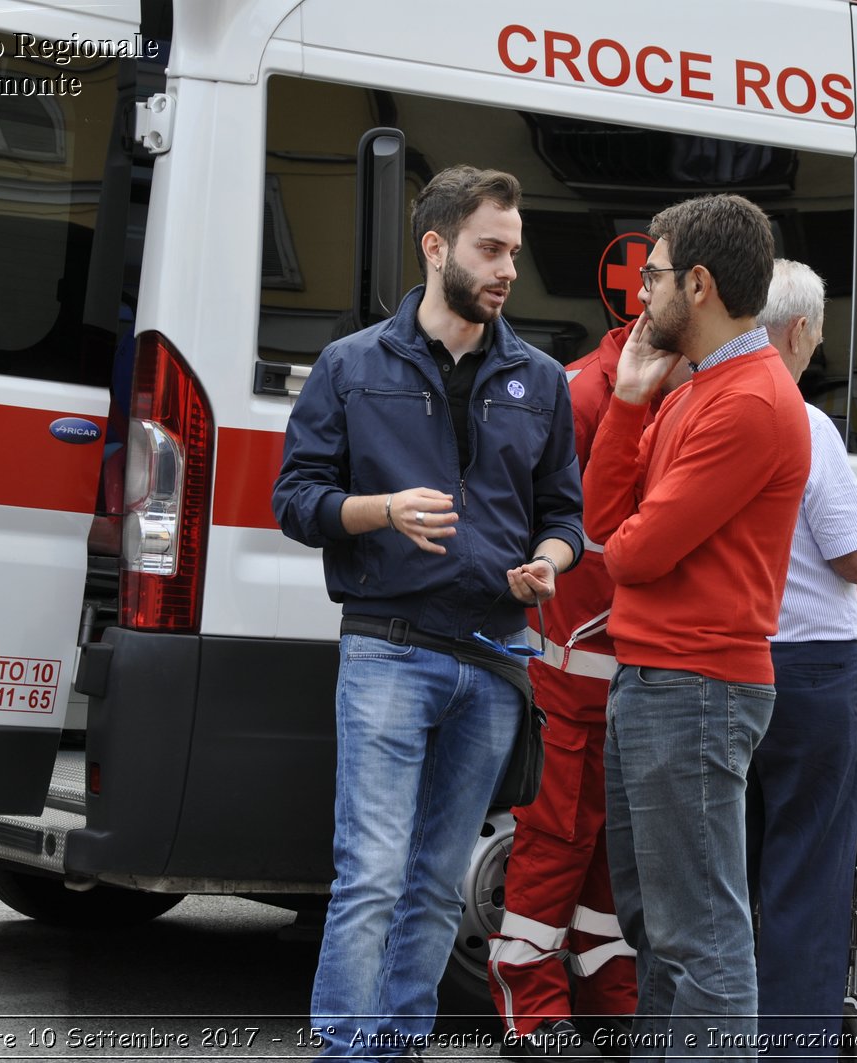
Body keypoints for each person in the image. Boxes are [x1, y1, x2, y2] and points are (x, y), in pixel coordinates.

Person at [273, 165, 585, 1059]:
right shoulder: (352, 364)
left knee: (440, 884)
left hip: (496, 656)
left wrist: (550, 562)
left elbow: (565, 515)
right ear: (436, 245)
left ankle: (398, 1043)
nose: (506, 270)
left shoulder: (540, 380)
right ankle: (344, 1047)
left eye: (515, 254)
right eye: (490, 249)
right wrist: (381, 509)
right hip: (389, 648)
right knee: (370, 873)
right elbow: (295, 499)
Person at [582, 194, 811, 1059]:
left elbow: (634, 554)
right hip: (664, 682)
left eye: (654, 274)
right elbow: (606, 519)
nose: (642, 293)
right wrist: (633, 400)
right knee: (660, 926)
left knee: (701, 936)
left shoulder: (749, 401)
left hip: (696, 689)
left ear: (701, 283)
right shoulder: (697, 390)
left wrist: (630, 532)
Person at [487, 325, 691, 1057]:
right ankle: (531, 1009)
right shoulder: (580, 393)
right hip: (570, 675)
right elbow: (538, 520)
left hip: (631, 676)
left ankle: (609, 997)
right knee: (555, 840)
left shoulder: (680, 387)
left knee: (613, 850)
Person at [747, 260, 857, 1055]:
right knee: (808, 885)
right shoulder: (804, 421)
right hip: (812, 675)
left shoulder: (697, 402)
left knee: (727, 887)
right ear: (800, 330)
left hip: (729, 668)